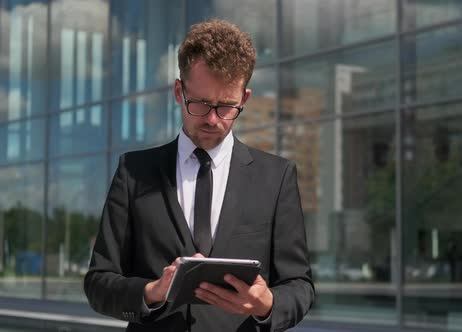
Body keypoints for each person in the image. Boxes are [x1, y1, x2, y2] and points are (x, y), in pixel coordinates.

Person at [84, 19, 314, 332]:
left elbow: (299, 285)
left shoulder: (276, 177)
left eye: (226, 107)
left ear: (244, 99)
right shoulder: (134, 173)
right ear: (179, 91)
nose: (212, 119)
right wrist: (152, 292)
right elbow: (99, 283)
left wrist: (267, 304)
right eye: (201, 103)